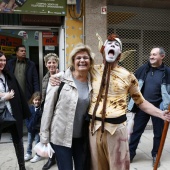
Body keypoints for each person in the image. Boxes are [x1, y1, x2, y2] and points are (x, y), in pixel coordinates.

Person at [50, 34, 170, 170]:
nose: (112, 46)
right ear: (103, 49)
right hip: (93, 130)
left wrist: (161, 114)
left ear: (120, 54)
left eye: (116, 45)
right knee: (95, 167)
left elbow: (141, 102)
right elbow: (73, 72)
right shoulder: (92, 70)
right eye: (109, 44)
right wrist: (55, 77)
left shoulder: (128, 76)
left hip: (116, 131)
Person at [39, 43, 94, 170]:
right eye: (78, 58)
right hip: (60, 137)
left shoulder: (93, 80)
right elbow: (48, 109)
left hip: (82, 137)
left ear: (90, 61)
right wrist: (44, 136)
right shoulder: (59, 79)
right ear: (73, 61)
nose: (82, 60)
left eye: (85, 58)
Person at [128, 46, 170, 167]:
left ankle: (155, 154)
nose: (151, 56)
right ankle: (130, 154)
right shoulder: (143, 69)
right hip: (142, 106)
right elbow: (133, 84)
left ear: (162, 56)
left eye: (154, 54)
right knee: (136, 132)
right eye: (150, 54)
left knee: (158, 133)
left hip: (159, 108)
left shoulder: (167, 72)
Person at [0, 51, 31, 170]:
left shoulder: (8, 75)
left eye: (4, 60)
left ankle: (22, 167)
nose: (2, 63)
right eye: (0, 60)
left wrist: (24, 112)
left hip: (12, 114)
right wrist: (3, 97)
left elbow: (18, 93)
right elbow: (7, 95)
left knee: (18, 141)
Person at [41, 53, 59, 170]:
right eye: (49, 62)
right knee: (48, 135)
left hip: (57, 111)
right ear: (46, 64)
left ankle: (56, 157)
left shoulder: (61, 76)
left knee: (56, 136)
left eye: (54, 62)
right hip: (47, 110)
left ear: (57, 63)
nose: (51, 64)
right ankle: (51, 158)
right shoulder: (45, 77)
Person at [24, 91, 42, 163]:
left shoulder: (40, 110)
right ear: (32, 100)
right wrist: (28, 126)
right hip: (30, 129)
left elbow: (40, 120)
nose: (37, 101)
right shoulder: (30, 108)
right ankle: (29, 153)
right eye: (35, 100)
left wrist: (37, 111)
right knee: (29, 142)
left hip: (37, 129)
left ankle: (38, 155)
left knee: (37, 142)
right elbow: (27, 118)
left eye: (38, 100)